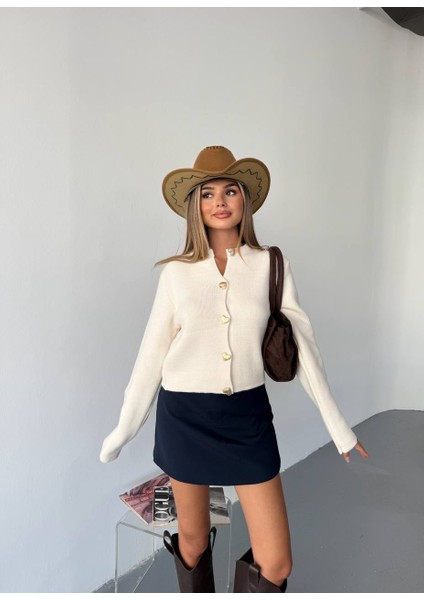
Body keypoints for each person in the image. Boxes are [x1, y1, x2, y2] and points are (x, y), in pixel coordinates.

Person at [100, 146, 369, 593]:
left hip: (247, 418)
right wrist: (123, 430)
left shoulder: (271, 265)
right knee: (191, 541)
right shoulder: (176, 275)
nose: (219, 201)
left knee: (276, 561)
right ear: (196, 206)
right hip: (184, 418)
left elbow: (305, 349)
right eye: (207, 194)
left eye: (230, 191)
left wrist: (338, 427)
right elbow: (150, 357)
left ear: (245, 199)